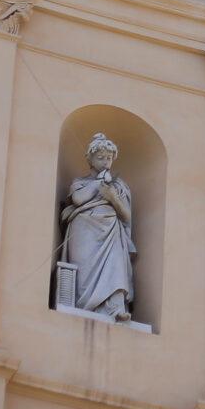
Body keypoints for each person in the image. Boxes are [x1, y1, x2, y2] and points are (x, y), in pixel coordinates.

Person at [57, 133, 136, 321]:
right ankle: (82, 306)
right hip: (84, 229)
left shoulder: (119, 186)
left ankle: (115, 308)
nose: (106, 162)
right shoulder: (80, 183)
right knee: (85, 267)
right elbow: (78, 199)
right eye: (100, 157)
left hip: (110, 229)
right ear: (90, 159)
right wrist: (99, 183)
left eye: (109, 158)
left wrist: (112, 197)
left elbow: (126, 216)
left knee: (114, 264)